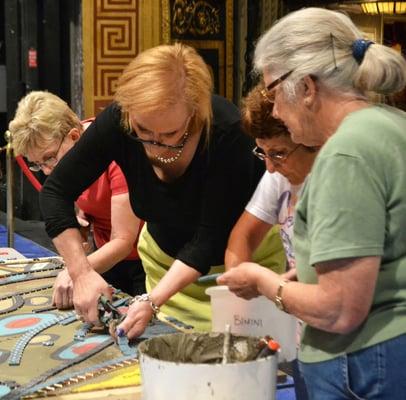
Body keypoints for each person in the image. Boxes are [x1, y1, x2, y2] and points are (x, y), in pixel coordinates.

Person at [218, 7, 406, 400]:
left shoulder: (346, 152)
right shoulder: (391, 124)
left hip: (364, 361)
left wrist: (264, 283)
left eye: (273, 93)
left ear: (306, 87)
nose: (275, 111)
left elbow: (339, 310)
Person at [38, 43, 284, 337]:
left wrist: (151, 302)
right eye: (142, 131)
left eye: (169, 135)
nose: (154, 145)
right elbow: (55, 191)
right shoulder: (120, 120)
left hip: (240, 272)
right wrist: (81, 273)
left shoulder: (228, 133)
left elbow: (208, 241)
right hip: (163, 269)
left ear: (195, 112)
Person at [225, 84, 318, 400]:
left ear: (308, 136)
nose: (269, 165)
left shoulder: (335, 177)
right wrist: (238, 290)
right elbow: (243, 236)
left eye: (278, 152)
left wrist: (266, 282)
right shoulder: (277, 174)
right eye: (261, 152)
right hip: (304, 335)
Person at [8, 91, 145, 303]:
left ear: (74, 136)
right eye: (38, 164)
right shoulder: (67, 153)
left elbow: (124, 240)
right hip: (105, 256)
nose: (46, 171)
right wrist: (82, 219)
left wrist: (77, 270)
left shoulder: (114, 152)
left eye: (49, 158)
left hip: (144, 260)